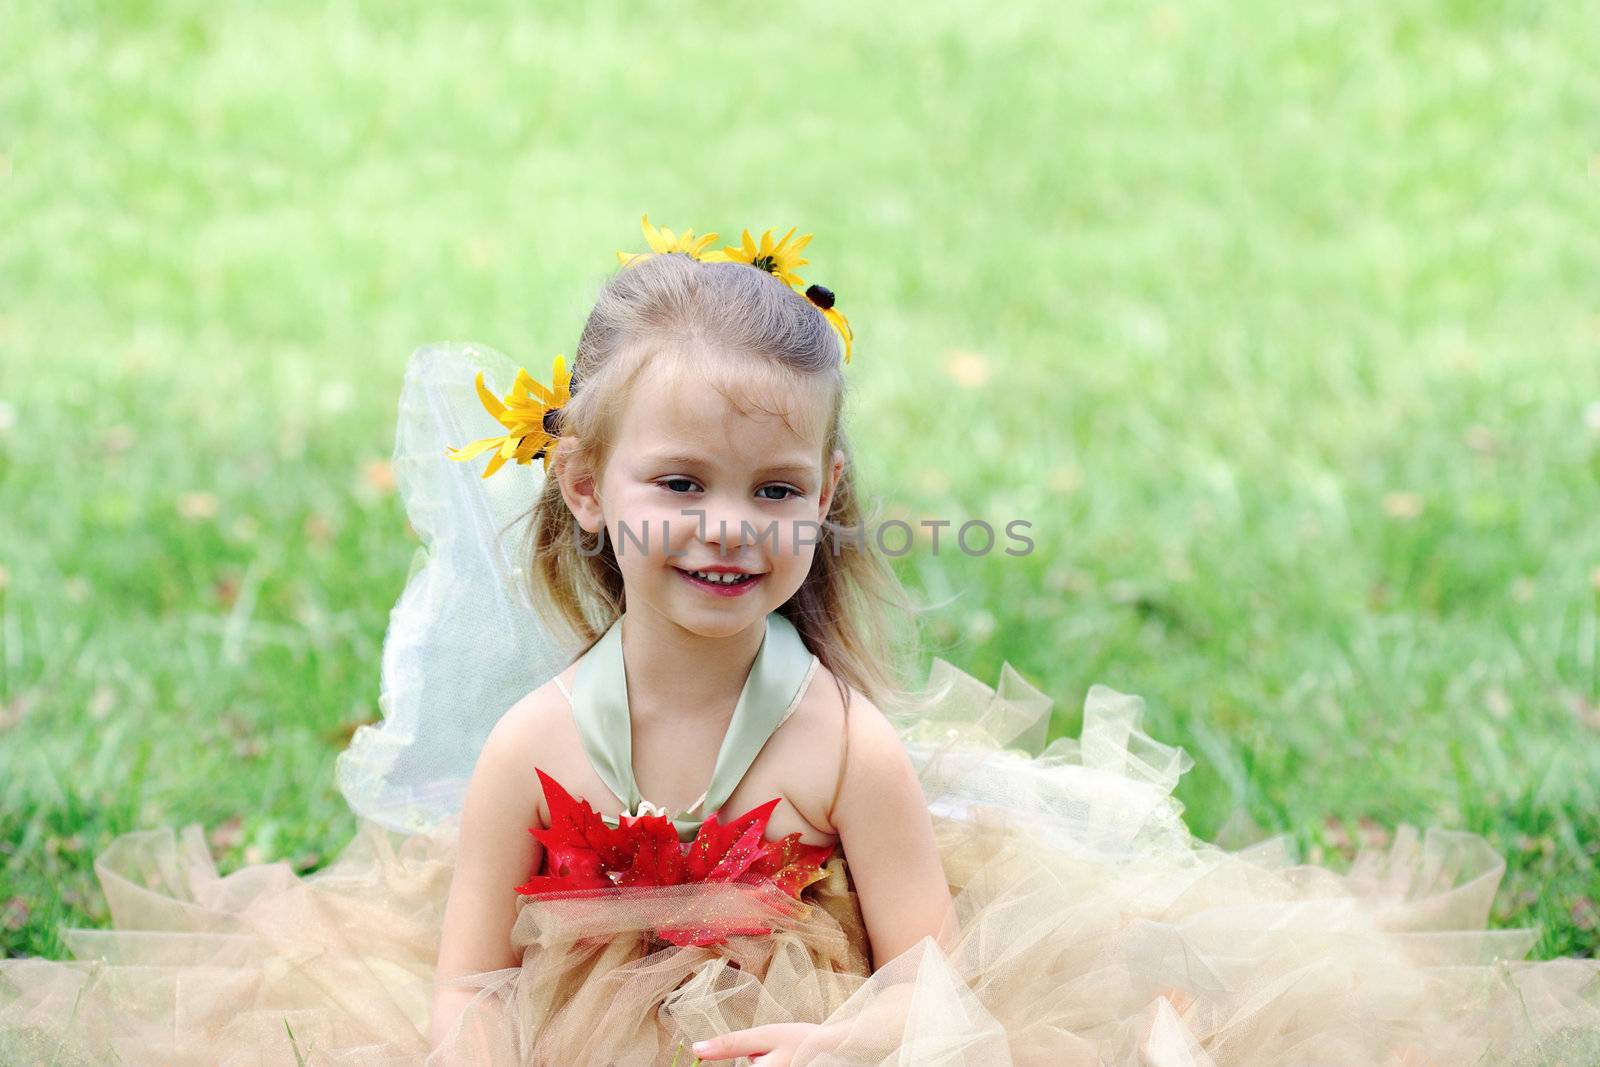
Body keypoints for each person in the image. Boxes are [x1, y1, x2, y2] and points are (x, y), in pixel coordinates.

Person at [2, 218, 1598, 1065]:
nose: (727, 529)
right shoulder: (533, 747)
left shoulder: (843, 743)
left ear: (826, 496)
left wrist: (848, 1038)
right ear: (586, 484)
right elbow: (467, 984)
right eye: (679, 483)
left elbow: (937, 983)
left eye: (775, 490)